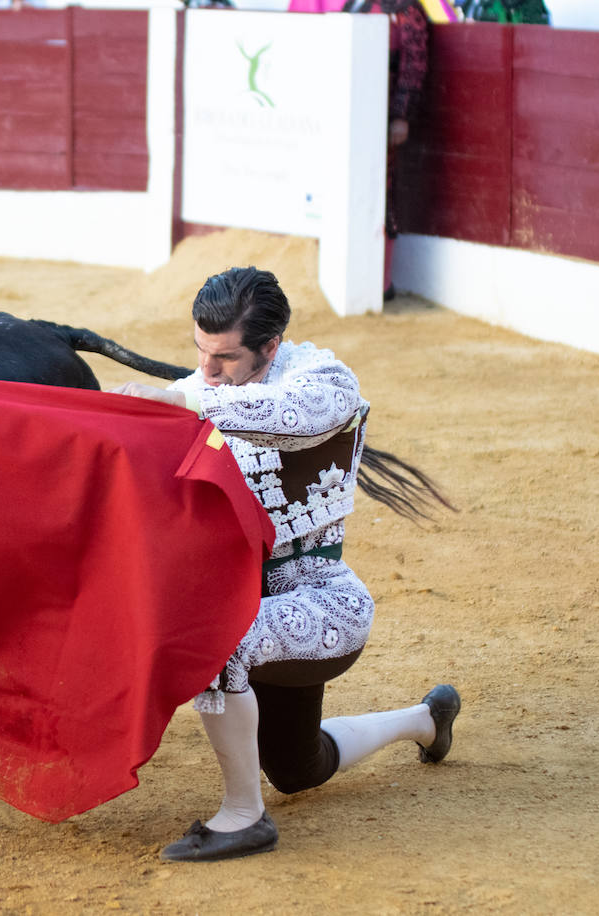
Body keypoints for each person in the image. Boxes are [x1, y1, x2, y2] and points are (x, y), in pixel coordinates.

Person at [109, 265, 459, 861]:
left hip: (321, 603)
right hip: (245, 600)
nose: (207, 370)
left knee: (215, 643)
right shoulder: (205, 386)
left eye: (224, 357)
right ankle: (426, 719)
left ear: (270, 346)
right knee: (299, 769)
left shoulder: (324, 381)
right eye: (200, 352)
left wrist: (180, 399)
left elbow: (292, 415)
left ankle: (244, 818)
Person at [342, 0, 430, 301]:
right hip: (351, 112)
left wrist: (401, 115)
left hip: (382, 112)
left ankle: (382, 281)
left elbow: (414, 65)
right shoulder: (356, 4)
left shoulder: (406, 10)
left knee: (382, 190)